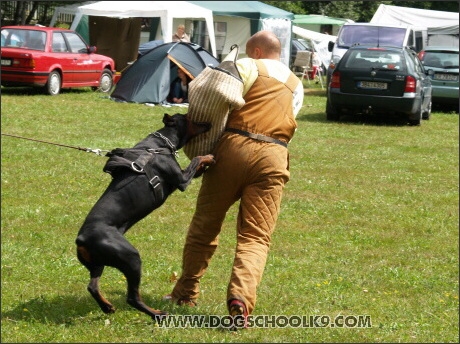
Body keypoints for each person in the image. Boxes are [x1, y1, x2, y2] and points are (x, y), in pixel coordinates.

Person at [165, 30, 304, 327]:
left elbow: (213, 94)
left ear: (254, 51)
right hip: (274, 157)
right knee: (256, 237)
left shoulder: (247, 66)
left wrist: (202, 146)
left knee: (206, 224)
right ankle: (241, 300)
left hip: (235, 148)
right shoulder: (297, 84)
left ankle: (186, 292)